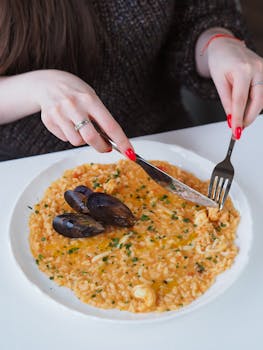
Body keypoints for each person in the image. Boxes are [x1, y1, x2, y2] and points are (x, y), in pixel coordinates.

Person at [0, 1, 262, 161]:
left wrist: (218, 43)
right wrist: (37, 89)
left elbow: (196, 17)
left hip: (167, 140)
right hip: (25, 167)